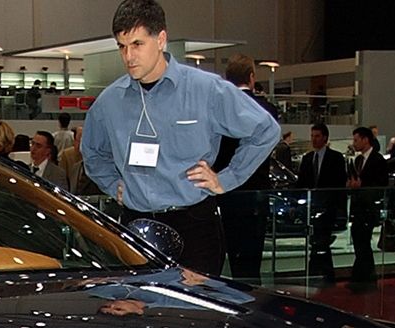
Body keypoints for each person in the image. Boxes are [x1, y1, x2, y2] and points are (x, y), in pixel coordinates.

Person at [80, 0, 280, 275]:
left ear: (161, 39)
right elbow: (92, 152)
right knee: (137, 303)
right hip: (134, 227)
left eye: (137, 44)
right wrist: (113, 184)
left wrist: (226, 179)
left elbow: (265, 130)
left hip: (194, 226)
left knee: (195, 304)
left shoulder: (206, 89)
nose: (128, 56)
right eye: (122, 46)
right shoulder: (109, 101)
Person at [215, 54, 277, 279]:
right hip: (255, 196)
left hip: (225, 193)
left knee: (231, 255)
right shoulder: (267, 109)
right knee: (252, 261)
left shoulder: (217, 108)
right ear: (252, 77)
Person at [295, 122, 346, 282]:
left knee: (322, 241)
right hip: (311, 208)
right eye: (312, 136)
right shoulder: (307, 158)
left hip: (327, 208)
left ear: (325, 138)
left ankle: (321, 273)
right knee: (317, 242)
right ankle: (320, 273)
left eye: (317, 136)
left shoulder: (336, 158)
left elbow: (338, 184)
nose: (314, 139)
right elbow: (301, 183)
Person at [346, 125, 388, 284]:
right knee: (360, 242)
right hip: (358, 208)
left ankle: (363, 278)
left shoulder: (378, 160)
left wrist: (362, 186)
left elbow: (381, 184)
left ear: (365, 140)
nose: (354, 143)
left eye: (356, 140)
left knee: (363, 243)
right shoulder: (358, 160)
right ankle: (365, 277)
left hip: (369, 208)